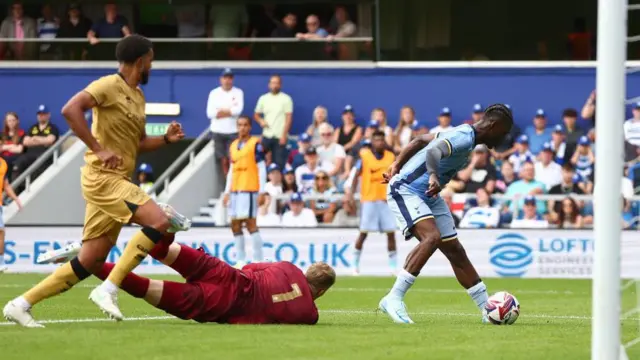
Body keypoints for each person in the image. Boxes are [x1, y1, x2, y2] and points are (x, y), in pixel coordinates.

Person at [2, 35, 189, 327]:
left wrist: (165, 139)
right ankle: (109, 288)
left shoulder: (138, 96)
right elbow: (70, 110)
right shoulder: (107, 85)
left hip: (117, 179)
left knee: (91, 260)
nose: (152, 64)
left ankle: (20, 304)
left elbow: (137, 143)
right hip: (103, 179)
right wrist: (98, 148)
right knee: (159, 221)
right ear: (140, 60)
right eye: (151, 59)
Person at [379, 103, 513, 324]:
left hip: (429, 195)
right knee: (432, 238)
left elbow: (420, 140)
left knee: (455, 251)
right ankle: (393, 298)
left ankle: (486, 309)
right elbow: (432, 150)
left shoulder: (462, 134)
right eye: (504, 133)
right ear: (494, 125)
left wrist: (397, 163)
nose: (503, 139)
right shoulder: (463, 136)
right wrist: (432, 176)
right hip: (407, 189)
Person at [39, 234, 336, 324]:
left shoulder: (286, 266)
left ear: (306, 270)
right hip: (221, 304)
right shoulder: (309, 314)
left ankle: (161, 224)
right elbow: (301, 311)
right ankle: (90, 262)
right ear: (320, 292)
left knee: (163, 247)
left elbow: (249, 267)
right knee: (145, 287)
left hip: (224, 273)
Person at [345, 130, 397, 275]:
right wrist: (350, 193)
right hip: (369, 199)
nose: (379, 142)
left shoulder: (391, 156)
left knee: (390, 233)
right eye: (377, 140)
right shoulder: (364, 155)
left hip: (386, 200)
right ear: (372, 142)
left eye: (382, 140)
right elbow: (356, 174)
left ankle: (393, 267)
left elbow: (396, 176)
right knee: (363, 233)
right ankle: (354, 265)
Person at [223, 116, 267, 268]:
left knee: (250, 223)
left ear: (250, 127)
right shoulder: (233, 145)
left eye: (245, 125)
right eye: (240, 125)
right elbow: (231, 169)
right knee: (234, 224)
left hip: (249, 189)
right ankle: (241, 259)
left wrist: (262, 191)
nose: (242, 128)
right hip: (235, 190)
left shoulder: (255, 144)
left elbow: (261, 168)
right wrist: (226, 191)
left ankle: (258, 259)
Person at [206, 68, 244, 190]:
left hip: (233, 131)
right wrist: (229, 111)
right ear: (221, 79)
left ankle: (234, 185)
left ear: (232, 79)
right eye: (225, 78)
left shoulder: (238, 92)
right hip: (217, 132)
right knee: (221, 160)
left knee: (234, 159)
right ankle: (224, 188)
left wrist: (221, 111)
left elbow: (238, 111)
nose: (227, 80)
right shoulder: (214, 93)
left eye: (229, 78)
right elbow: (210, 113)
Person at [254, 74, 293, 169]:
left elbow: (289, 118)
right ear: (269, 85)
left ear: (280, 85)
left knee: (279, 164)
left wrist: (284, 135)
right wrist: (261, 121)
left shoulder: (286, 99)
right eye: (273, 83)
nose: (275, 85)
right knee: (261, 163)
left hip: (280, 137)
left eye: (277, 83)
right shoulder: (263, 98)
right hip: (266, 136)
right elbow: (256, 114)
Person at [0, 156, 22, 273]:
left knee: (1, 232)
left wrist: (16, 199)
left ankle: (1, 262)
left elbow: (6, 185)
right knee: (1, 231)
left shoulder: (3, 163)